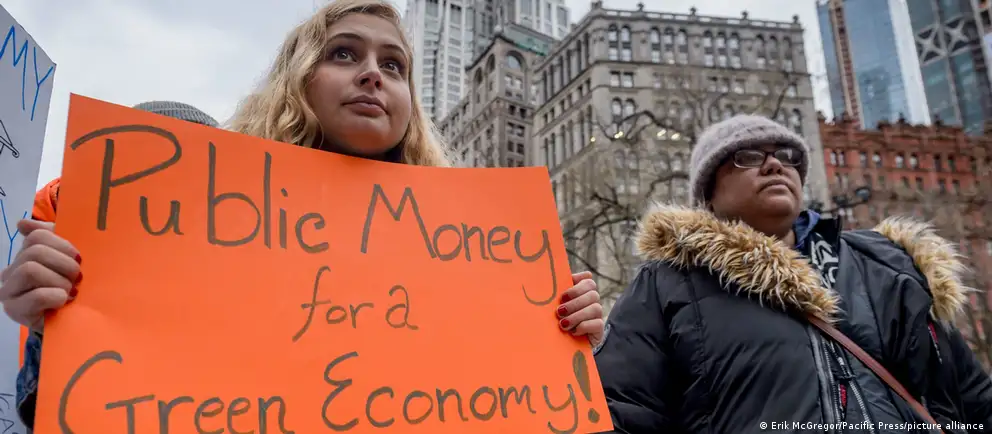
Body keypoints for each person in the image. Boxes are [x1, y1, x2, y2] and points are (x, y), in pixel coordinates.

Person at [1, 0, 605, 428]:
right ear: (298, 81)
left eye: (394, 65)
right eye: (344, 53)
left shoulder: (476, 251)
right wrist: (55, 326)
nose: (372, 74)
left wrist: (567, 348)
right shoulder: (192, 217)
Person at [593, 114, 992, 433]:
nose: (774, 164)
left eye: (787, 156)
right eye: (747, 156)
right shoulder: (667, 283)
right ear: (708, 193)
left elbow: (972, 399)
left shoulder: (889, 265)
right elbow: (619, 411)